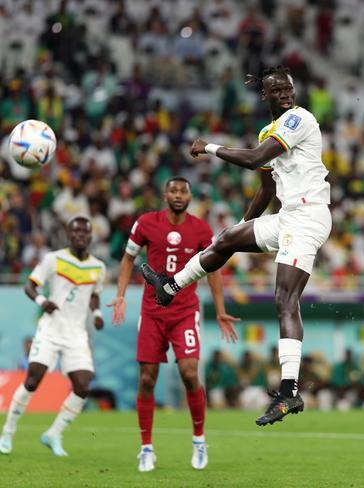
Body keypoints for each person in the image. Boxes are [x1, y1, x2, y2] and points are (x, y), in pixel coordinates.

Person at [141, 66, 331, 426]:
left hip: (309, 217)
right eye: (276, 91)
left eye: (288, 89)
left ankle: (290, 393)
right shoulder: (267, 131)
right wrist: (245, 227)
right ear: (265, 96)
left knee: (284, 300)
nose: (285, 95)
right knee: (226, 237)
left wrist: (210, 147)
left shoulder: (299, 119)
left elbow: (257, 158)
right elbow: (267, 189)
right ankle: (170, 286)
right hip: (288, 216)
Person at [108, 176, 239, 472]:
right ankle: (146, 448)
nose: (178, 195)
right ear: (164, 195)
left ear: (190, 197)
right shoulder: (146, 223)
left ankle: (199, 439)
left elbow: (213, 270)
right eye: (173, 190)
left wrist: (219, 310)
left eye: (183, 191)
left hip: (184, 312)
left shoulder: (201, 229)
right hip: (152, 313)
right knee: (146, 379)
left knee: (190, 373)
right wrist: (120, 295)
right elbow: (128, 259)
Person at [0, 217, 106, 457]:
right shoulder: (53, 259)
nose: (80, 235)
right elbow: (29, 285)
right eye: (75, 231)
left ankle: (54, 434)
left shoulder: (98, 267)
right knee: (32, 381)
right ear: (68, 234)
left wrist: (97, 313)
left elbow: (94, 295)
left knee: (83, 385)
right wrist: (42, 301)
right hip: (50, 329)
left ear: (90, 236)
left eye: (84, 231)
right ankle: (7, 431)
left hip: (76, 333)